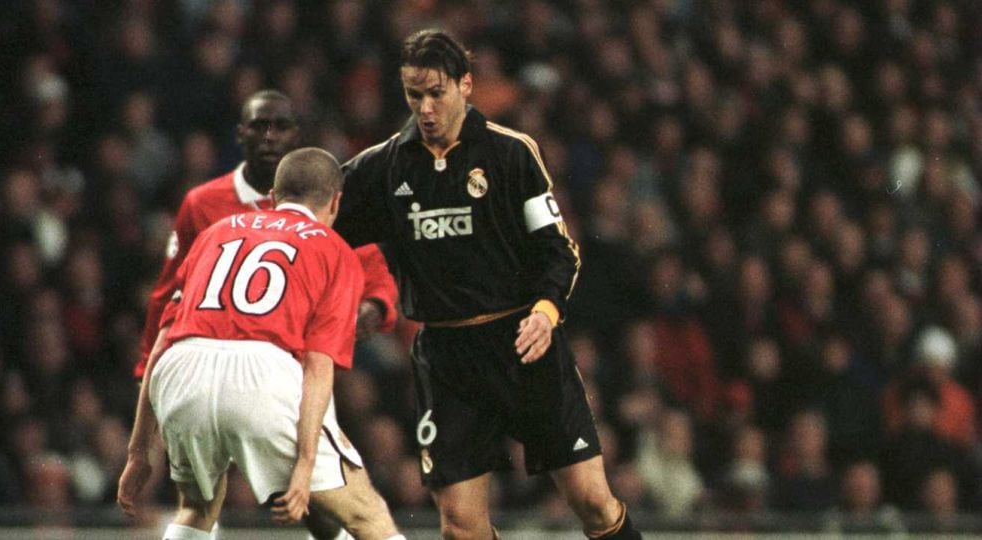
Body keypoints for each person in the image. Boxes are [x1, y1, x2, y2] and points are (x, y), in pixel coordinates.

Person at [334, 30, 641, 539]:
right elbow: (316, 228)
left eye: (436, 92)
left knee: (592, 503)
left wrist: (545, 312)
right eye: (415, 95)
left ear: (466, 85)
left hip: (523, 344)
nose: (425, 107)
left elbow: (559, 250)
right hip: (447, 357)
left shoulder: (511, 154)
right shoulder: (381, 167)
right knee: (460, 527)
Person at [118, 148, 405, 540]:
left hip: (181, 370)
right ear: (336, 201)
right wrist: (304, 468)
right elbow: (318, 366)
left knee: (197, 509)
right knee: (366, 515)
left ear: (272, 196)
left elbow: (162, 342)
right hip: (262, 373)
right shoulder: (332, 247)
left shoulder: (216, 232)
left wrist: (138, 452)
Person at [136, 89, 397, 381]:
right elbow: (168, 293)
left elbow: (369, 266)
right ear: (240, 133)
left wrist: (375, 304)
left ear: (296, 135)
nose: (270, 136)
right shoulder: (202, 204)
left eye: (281, 127)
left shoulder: (325, 199)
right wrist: (147, 367)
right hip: (213, 360)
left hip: (294, 365)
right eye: (259, 126)